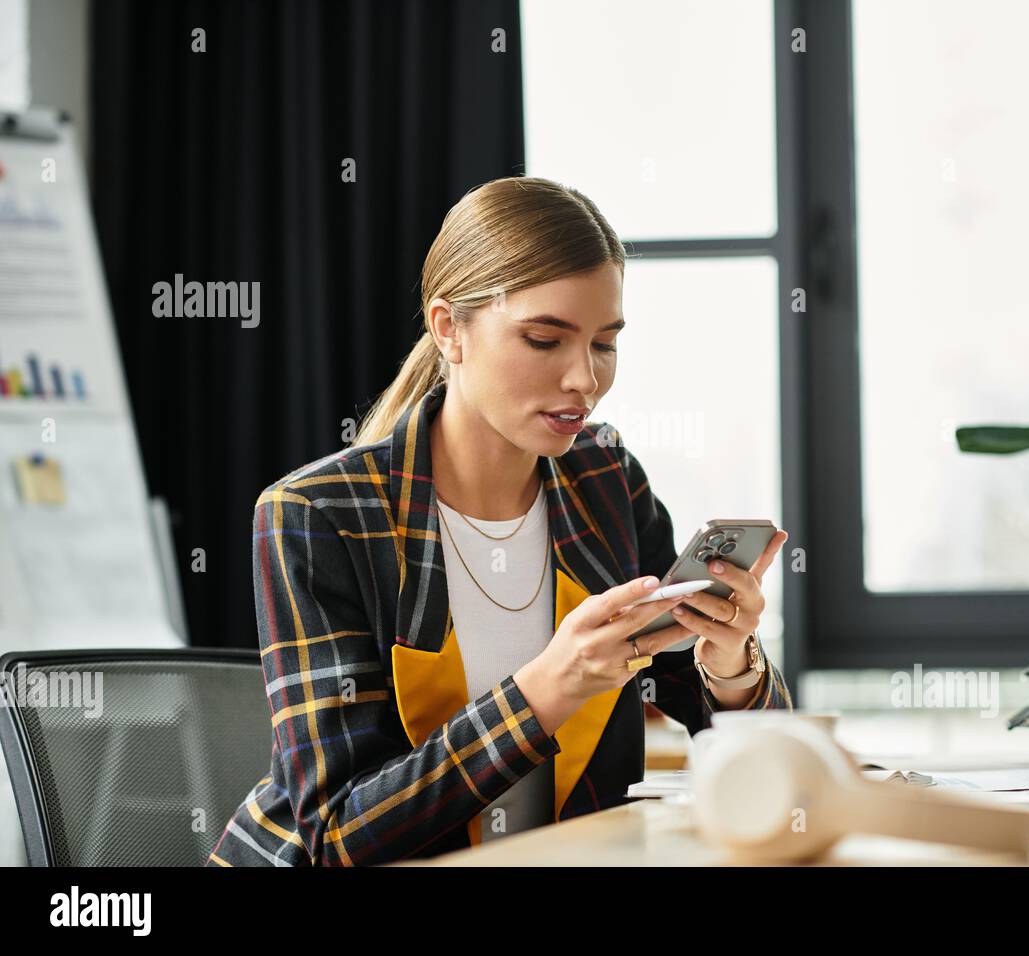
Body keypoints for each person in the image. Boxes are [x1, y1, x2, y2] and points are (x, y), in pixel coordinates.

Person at [208, 176, 792, 867]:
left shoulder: (605, 479)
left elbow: (762, 759)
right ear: (448, 329)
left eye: (604, 344)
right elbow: (339, 836)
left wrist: (730, 664)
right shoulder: (317, 515)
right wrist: (551, 686)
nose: (585, 379)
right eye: (545, 340)